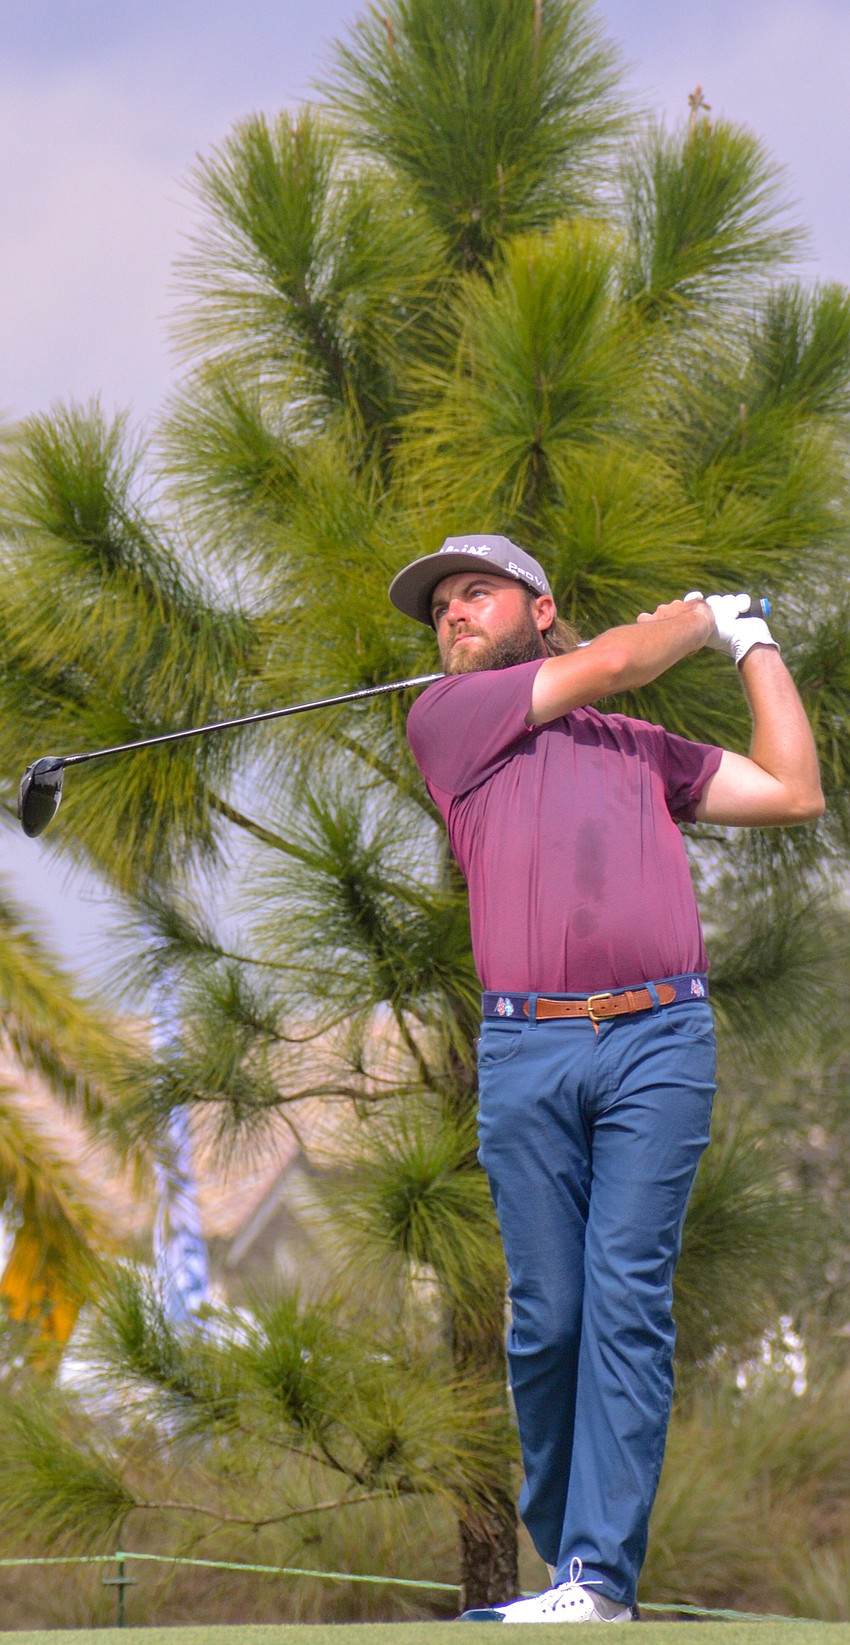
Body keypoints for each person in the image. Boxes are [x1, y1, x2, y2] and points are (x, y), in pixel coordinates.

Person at [388, 534, 824, 1625]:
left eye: (474, 594)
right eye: (440, 606)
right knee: (548, 1316)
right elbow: (617, 661)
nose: (451, 615)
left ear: (539, 610)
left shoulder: (638, 748)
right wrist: (699, 614)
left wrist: (752, 639)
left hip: (657, 1043)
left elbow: (791, 790)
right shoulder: (448, 723)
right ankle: (568, 1547)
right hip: (526, 1048)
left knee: (626, 1299)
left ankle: (596, 1576)